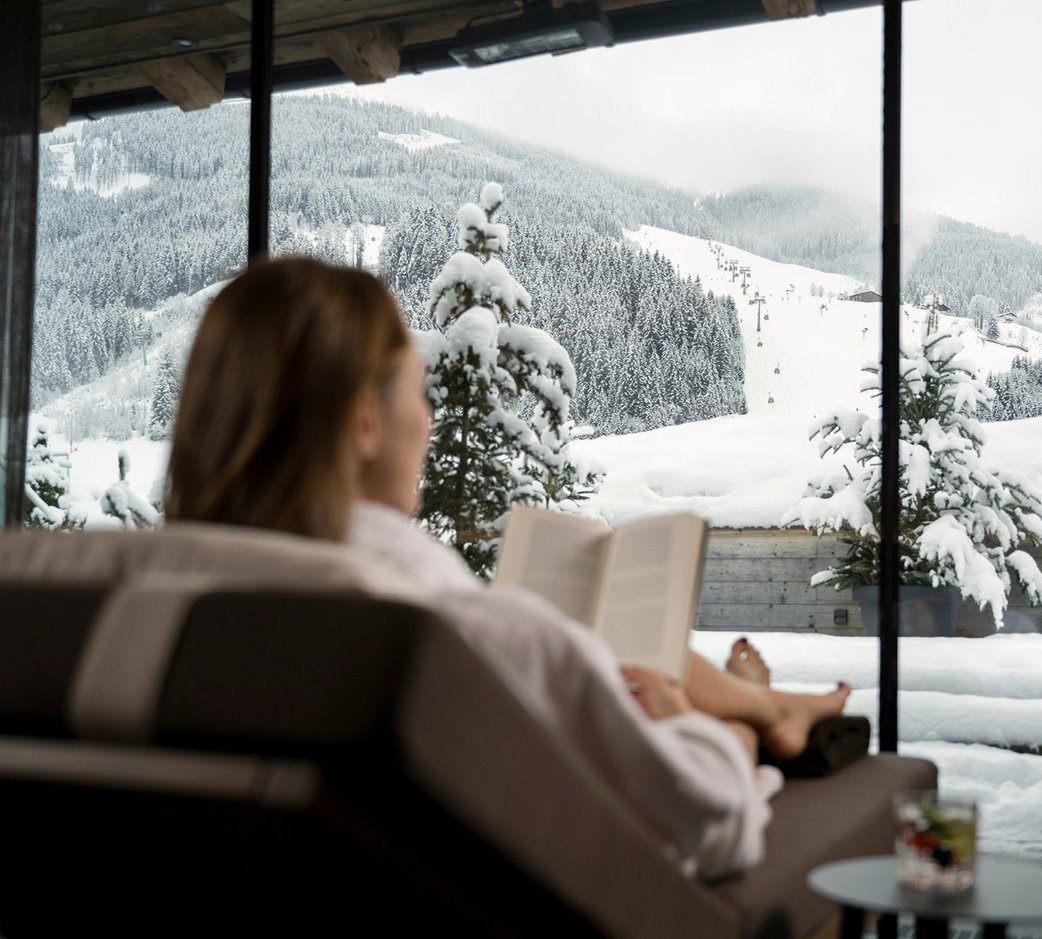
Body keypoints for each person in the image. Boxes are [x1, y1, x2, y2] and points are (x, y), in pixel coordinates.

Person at [167, 256, 849, 879]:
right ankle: (755, 715)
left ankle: (763, 706)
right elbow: (711, 820)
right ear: (364, 420)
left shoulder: (154, 609)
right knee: (686, 710)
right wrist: (693, 729)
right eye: (419, 390)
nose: (429, 422)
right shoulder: (444, 631)